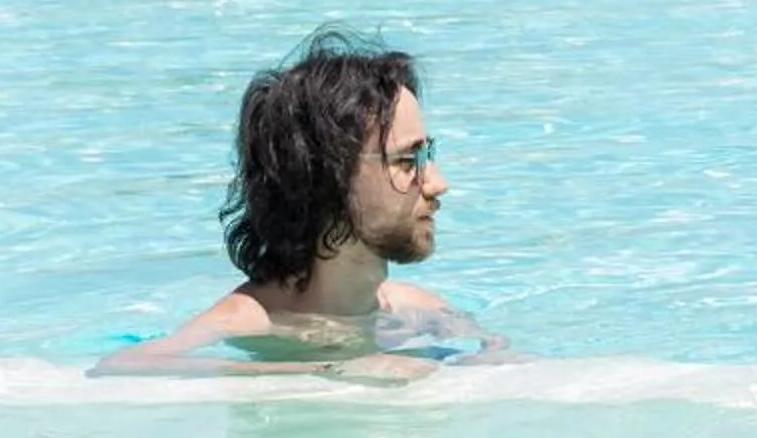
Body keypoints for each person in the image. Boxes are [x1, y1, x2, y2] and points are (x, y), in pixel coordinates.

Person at [95, 31, 501, 379]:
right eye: (407, 161)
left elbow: (501, 356)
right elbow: (120, 367)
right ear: (327, 178)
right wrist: (319, 371)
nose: (437, 183)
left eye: (426, 155)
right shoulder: (251, 320)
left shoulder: (421, 308)